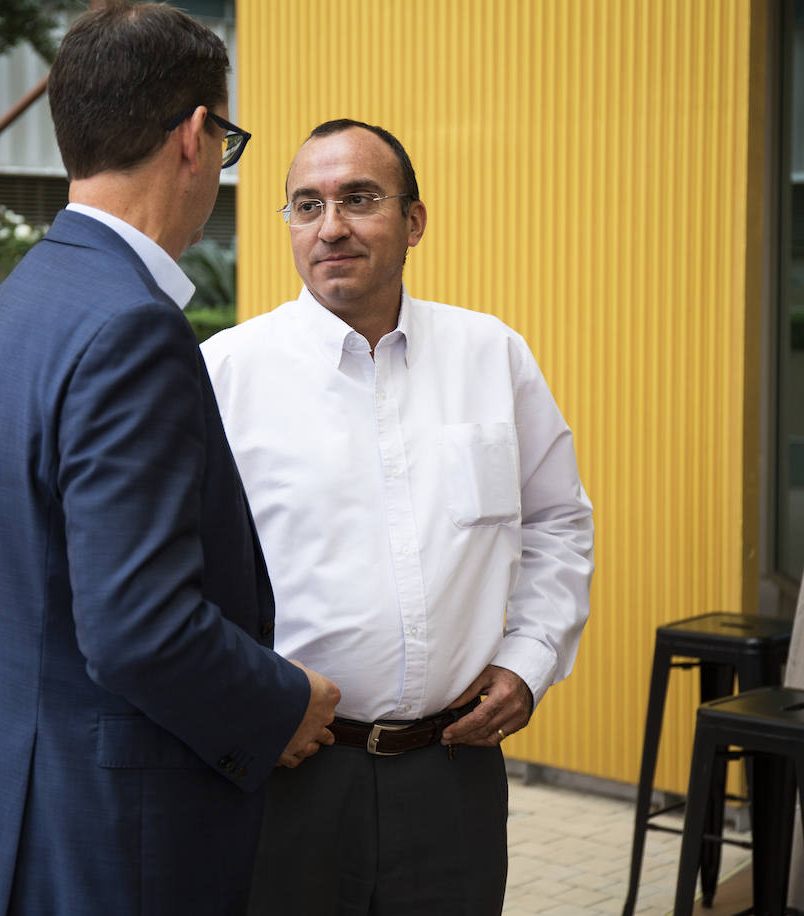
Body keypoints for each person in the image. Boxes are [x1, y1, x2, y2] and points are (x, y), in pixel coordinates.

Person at [0, 6, 341, 914]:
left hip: (6, 812)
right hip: (114, 841)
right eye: (228, 142)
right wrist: (282, 706)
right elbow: (137, 626)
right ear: (196, 137)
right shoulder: (132, 328)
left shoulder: (19, 301)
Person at [201, 119, 595, 914]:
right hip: (291, 775)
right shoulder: (226, 375)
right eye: (306, 205)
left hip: (454, 771)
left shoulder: (493, 357)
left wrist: (531, 656)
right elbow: (183, 580)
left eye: (359, 198)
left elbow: (557, 519)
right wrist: (244, 714)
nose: (331, 225)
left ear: (413, 221)